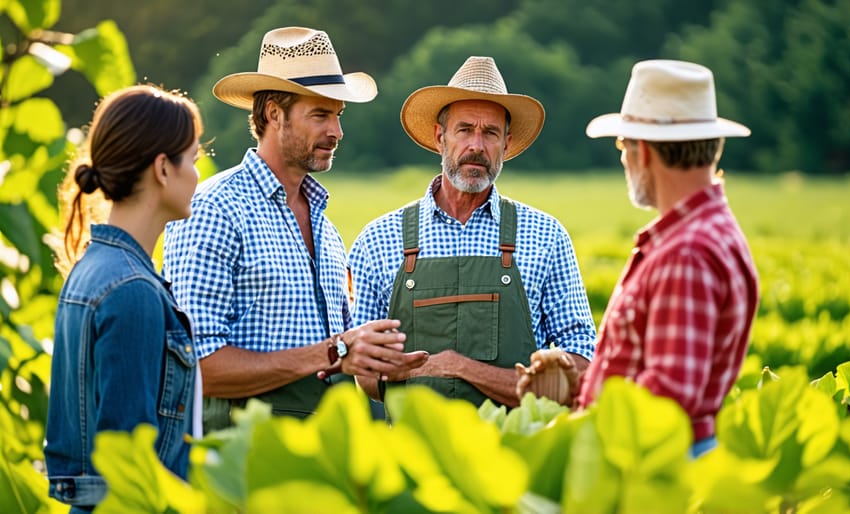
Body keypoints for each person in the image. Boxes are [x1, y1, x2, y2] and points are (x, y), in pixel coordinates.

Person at [163, 27, 427, 430]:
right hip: (241, 458)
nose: (336, 132)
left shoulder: (326, 228)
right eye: (320, 115)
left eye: (338, 116)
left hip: (320, 458)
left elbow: (337, 359)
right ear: (273, 114)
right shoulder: (214, 208)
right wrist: (337, 351)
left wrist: (373, 357)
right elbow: (198, 365)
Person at [517, 59, 760, 458]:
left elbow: (666, 400)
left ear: (643, 151)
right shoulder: (706, 232)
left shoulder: (685, 253)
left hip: (656, 473)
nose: (622, 159)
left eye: (622, 145)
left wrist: (565, 435)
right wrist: (581, 384)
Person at [349, 56, 596, 408]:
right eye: (464, 129)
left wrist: (460, 368)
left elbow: (583, 367)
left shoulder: (546, 236)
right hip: (410, 455)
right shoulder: (378, 240)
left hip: (517, 455)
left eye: (490, 133)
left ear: (507, 144)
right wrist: (436, 368)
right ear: (440, 137)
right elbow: (366, 375)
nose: (476, 146)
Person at [44, 85, 204, 512]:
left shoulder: (91, 269)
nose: (197, 175)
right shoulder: (132, 290)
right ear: (162, 169)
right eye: (192, 159)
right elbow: (127, 472)